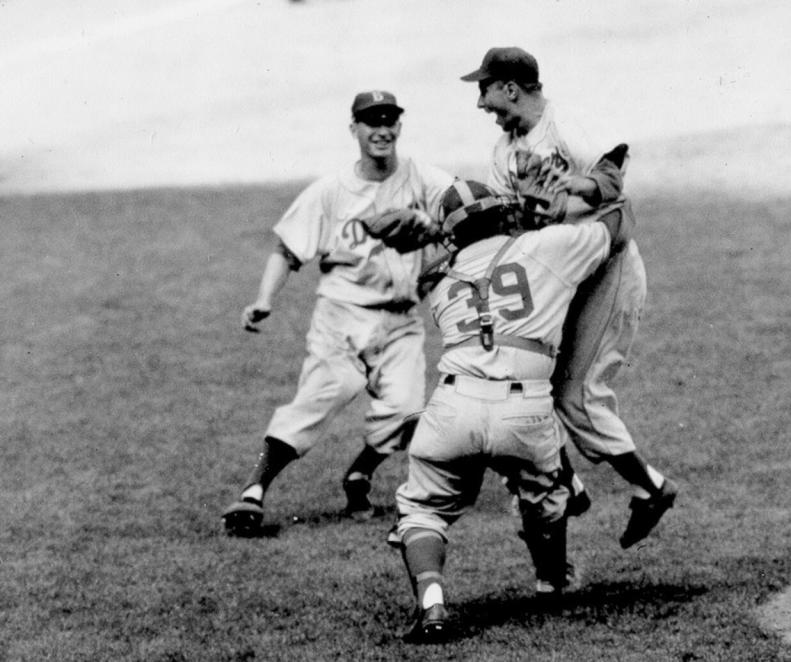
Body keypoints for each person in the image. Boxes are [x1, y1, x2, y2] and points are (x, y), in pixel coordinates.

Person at [375, 179, 638, 643]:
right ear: (503, 215)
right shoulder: (547, 246)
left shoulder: (438, 278)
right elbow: (618, 226)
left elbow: (452, 258)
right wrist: (601, 185)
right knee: (546, 499)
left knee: (421, 509)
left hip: (453, 404)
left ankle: (432, 601)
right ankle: (551, 582)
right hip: (525, 407)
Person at [460, 47, 678, 549]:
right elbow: (508, 219)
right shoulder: (502, 150)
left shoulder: (564, 123)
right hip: (561, 277)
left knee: (576, 399)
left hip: (607, 269)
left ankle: (653, 489)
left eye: (484, 90)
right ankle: (569, 485)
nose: (481, 104)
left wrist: (573, 185)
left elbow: (611, 178)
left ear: (510, 87)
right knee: (527, 382)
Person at [221, 91, 455, 536]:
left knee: (407, 412)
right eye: (371, 122)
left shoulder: (423, 178)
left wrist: (435, 228)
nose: (382, 129)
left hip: (401, 319)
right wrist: (264, 299)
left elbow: (461, 205)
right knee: (319, 399)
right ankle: (253, 491)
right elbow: (286, 250)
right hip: (341, 317)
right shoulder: (331, 191)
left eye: (389, 120)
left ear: (399, 127)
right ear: (355, 130)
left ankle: (360, 472)